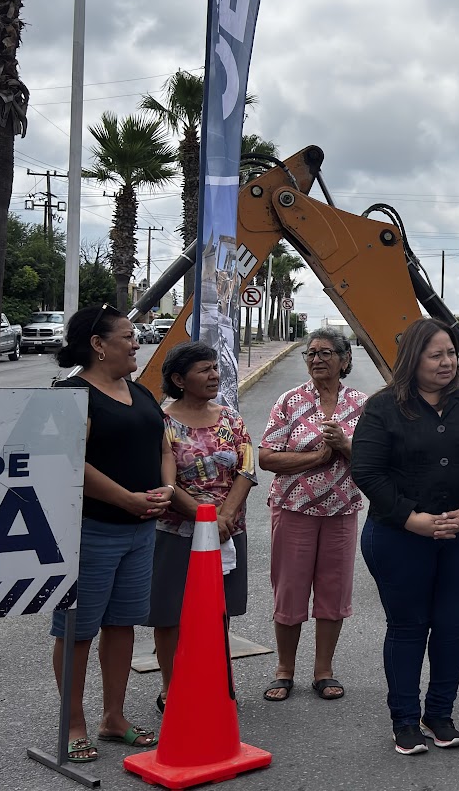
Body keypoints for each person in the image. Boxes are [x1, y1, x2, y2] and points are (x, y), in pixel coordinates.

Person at [351, 318, 459, 755]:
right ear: (412, 359)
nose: (447, 362)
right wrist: (410, 518)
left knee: (454, 627)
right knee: (408, 627)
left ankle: (440, 714)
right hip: (399, 538)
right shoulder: (383, 407)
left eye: (451, 353)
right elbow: (367, 471)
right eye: (436, 354)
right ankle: (404, 719)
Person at [49, 305, 173, 763]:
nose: (136, 343)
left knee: (122, 625)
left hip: (140, 532)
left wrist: (167, 489)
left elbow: (163, 446)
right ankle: (73, 722)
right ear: (99, 345)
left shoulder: (139, 391)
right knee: (78, 629)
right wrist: (126, 498)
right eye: (127, 337)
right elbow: (68, 461)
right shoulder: (72, 395)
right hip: (91, 530)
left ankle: (113, 717)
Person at [258, 328, 368, 703]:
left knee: (333, 592)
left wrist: (345, 447)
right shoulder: (289, 401)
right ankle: (284, 669)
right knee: (289, 589)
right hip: (293, 510)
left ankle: (324, 670)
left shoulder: (362, 404)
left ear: (344, 360)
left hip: (341, 512)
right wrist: (318, 457)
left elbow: (376, 462)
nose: (316, 359)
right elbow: (267, 457)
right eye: (311, 353)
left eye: (325, 352)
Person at [150, 341, 256, 712]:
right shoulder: (161, 422)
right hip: (177, 531)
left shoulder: (230, 417)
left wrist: (224, 516)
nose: (214, 375)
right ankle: (171, 688)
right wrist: (202, 514)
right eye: (204, 370)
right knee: (169, 614)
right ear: (179, 379)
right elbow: (164, 480)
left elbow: (246, 468)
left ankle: (213, 682)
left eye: (215, 367)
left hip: (228, 530)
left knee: (217, 611)